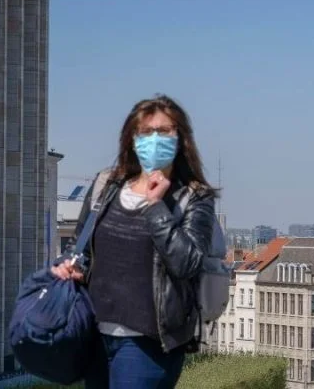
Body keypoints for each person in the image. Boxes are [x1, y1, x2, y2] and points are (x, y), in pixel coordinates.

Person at [51, 94, 216, 389]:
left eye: (164, 131)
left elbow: (187, 263)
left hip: (148, 344)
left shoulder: (193, 196)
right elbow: (80, 245)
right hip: (96, 335)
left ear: (181, 139)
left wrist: (155, 206)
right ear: (131, 139)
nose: (154, 139)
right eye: (145, 132)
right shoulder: (107, 185)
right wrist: (72, 266)